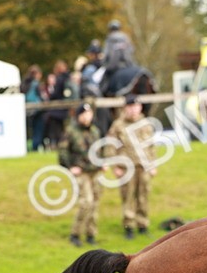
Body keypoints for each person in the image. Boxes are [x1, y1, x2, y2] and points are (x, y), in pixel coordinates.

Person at [107, 93, 156, 239]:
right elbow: (110, 147)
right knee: (128, 197)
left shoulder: (145, 124)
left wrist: (153, 165)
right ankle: (129, 226)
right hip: (126, 168)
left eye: (135, 106)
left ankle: (143, 225)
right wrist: (115, 166)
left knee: (143, 196)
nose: (133, 109)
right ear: (125, 108)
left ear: (140, 107)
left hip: (144, 167)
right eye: (130, 106)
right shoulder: (118, 125)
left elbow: (152, 146)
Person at [58, 102, 106, 246]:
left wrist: (103, 162)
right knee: (86, 202)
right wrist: (70, 166)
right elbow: (62, 151)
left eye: (89, 114)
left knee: (95, 204)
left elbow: (100, 150)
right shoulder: (71, 131)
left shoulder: (95, 131)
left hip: (95, 172)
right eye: (84, 114)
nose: (87, 117)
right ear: (78, 116)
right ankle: (75, 233)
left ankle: (91, 235)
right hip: (82, 172)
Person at [21, 65, 46, 151]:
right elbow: (41, 96)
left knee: (29, 129)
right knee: (37, 129)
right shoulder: (35, 84)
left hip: (28, 110)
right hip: (37, 110)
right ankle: (35, 146)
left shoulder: (25, 83)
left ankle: (29, 146)